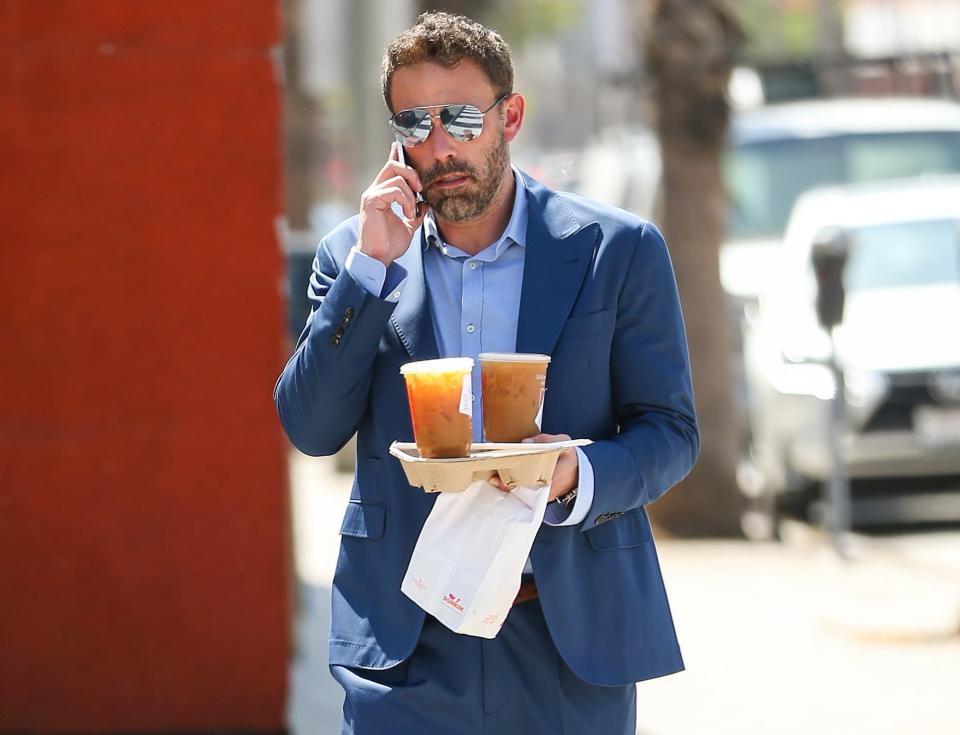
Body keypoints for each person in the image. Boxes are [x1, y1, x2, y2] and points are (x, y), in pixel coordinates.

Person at [275, 11, 699, 734]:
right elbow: (311, 428)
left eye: (462, 118)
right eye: (415, 123)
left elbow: (671, 432)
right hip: (406, 640)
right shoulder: (358, 256)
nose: (439, 146)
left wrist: (576, 472)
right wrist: (370, 270)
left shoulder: (618, 249)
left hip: (565, 636)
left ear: (512, 115)